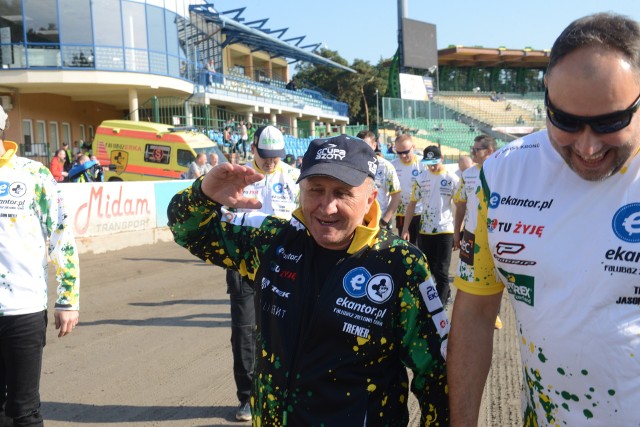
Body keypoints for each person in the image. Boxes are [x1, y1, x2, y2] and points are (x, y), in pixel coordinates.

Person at [168, 134, 450, 425]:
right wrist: (203, 193)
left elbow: (438, 376)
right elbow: (189, 231)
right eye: (316, 190)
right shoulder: (272, 241)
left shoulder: (400, 264)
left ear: (370, 199)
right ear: (300, 190)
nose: (326, 207)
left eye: (342, 193)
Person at [448, 13, 640, 426]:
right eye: (566, 121)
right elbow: (475, 313)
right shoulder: (500, 176)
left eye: (610, 122)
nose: (588, 147)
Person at [0, 105, 80, 425]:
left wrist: (68, 298)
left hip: (24, 308)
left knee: (23, 410)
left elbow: (61, 234)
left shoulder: (32, 173)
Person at [225, 125, 300, 421]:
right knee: (244, 333)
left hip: (285, 268)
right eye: (266, 156)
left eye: (276, 157)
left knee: (285, 331)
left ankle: (284, 391)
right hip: (244, 268)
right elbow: (224, 221)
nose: (271, 162)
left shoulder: (294, 177)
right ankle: (247, 397)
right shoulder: (238, 178)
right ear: (253, 148)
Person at [452, 136, 501, 330]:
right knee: (470, 278)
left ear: (489, 151)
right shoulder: (468, 174)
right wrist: (457, 233)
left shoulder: (501, 171)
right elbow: (461, 206)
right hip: (472, 237)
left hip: (497, 235)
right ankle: (476, 314)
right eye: (472, 150)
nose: (472, 154)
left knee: (498, 277)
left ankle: (494, 313)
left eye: (476, 150)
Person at [402, 145, 459, 306]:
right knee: (428, 269)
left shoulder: (452, 178)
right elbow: (412, 205)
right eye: (429, 163)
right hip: (425, 230)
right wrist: (406, 228)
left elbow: (460, 207)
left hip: (445, 230)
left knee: (441, 270)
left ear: (442, 158)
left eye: (435, 162)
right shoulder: (421, 179)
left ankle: (441, 305)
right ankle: (439, 297)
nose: (432, 166)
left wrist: (457, 232)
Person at [357, 130, 401, 230]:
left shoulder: (385, 166)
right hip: (357, 223)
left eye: (367, 146)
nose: (363, 150)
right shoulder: (351, 165)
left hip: (379, 223)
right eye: (360, 146)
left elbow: (396, 196)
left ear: (374, 145)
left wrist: (385, 220)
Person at [391, 134, 423, 245]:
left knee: (423, 249)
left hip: (421, 213)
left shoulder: (423, 164)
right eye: (399, 153)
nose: (403, 155)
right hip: (402, 214)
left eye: (405, 152)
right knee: (406, 249)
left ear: (413, 147)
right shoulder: (392, 166)